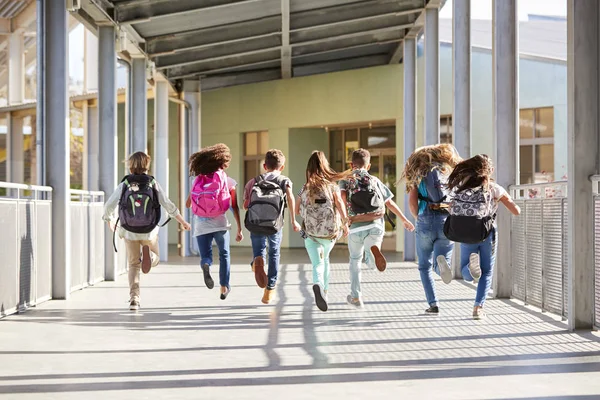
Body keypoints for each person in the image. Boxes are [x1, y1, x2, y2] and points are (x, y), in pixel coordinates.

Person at [103, 152, 191, 311]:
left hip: (129, 230)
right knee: (155, 258)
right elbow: (167, 204)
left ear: (131, 165)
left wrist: (108, 219)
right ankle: (150, 256)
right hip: (149, 231)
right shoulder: (152, 183)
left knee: (133, 265)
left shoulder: (125, 183)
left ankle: (134, 299)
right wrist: (183, 222)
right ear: (146, 165)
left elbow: (110, 203)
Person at [446, 154, 521, 319]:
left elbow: (450, 207)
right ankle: (478, 308)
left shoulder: (461, 187)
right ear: (489, 171)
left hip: (466, 233)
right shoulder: (494, 188)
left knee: (465, 268)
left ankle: (470, 271)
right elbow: (515, 210)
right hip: (487, 233)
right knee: (486, 272)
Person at [340, 148, 415, 308]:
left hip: (355, 227)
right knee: (371, 256)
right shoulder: (373, 180)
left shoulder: (346, 180)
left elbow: (341, 200)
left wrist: (344, 220)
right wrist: (404, 219)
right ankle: (373, 255)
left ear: (351, 164)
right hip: (376, 224)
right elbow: (389, 203)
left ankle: (356, 297)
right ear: (368, 166)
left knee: (354, 260)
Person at [402, 144, 461, 315]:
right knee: (442, 260)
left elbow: (413, 202)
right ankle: (441, 264)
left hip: (426, 219)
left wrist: (418, 218)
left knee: (423, 266)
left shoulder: (418, 174)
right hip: (446, 220)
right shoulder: (449, 172)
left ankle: (433, 304)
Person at [186, 144, 243, 300]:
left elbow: (188, 204)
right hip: (220, 223)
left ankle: (206, 265)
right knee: (224, 254)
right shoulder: (228, 180)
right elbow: (234, 206)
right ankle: (224, 286)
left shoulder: (197, 180)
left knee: (206, 255)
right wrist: (239, 228)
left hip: (201, 224)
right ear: (222, 161)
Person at [244, 149, 301, 304]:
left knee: (259, 250)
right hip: (275, 224)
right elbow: (290, 197)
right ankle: (269, 289)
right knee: (274, 253)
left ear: (264, 165)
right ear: (282, 167)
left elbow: (245, 205)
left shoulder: (253, 181)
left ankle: (257, 262)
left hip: (255, 223)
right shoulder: (284, 180)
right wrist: (293, 221)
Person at [295, 151, 349, 312]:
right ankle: (324, 291)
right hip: (329, 233)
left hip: (310, 234)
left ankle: (318, 284)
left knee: (317, 263)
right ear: (325, 166)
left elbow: (297, 210)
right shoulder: (332, 186)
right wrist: (345, 223)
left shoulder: (304, 188)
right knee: (325, 259)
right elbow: (339, 203)